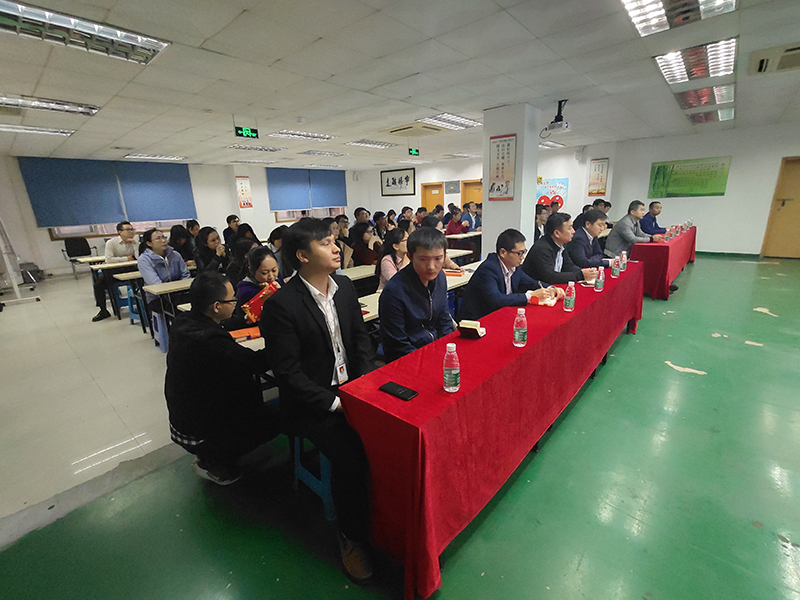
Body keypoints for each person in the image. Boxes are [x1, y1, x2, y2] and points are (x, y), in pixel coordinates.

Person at [260, 218, 376, 582]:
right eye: (325, 243)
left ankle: (381, 518)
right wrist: (337, 403)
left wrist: (366, 383)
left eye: (333, 240)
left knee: (393, 435)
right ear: (302, 255)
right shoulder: (281, 305)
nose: (336, 247)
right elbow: (288, 374)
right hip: (313, 403)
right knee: (351, 456)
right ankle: (351, 536)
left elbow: (360, 339)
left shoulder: (344, 287)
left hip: (353, 388)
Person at [164, 271, 279, 486]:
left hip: (182, 421)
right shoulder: (210, 342)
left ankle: (213, 454)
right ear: (216, 306)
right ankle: (214, 460)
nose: (236, 302)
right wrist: (284, 343)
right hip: (198, 431)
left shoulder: (184, 322)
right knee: (279, 419)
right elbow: (253, 362)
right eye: (232, 299)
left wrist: (242, 321)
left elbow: (222, 331)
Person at [379, 227, 454, 363]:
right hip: (409, 360)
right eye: (423, 259)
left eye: (438, 258)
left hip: (436, 350)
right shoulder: (394, 292)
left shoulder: (440, 278)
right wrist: (429, 361)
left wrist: (447, 350)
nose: (431, 266)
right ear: (410, 257)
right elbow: (397, 346)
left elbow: (444, 320)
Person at [460, 229, 561, 322]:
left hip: (501, 315)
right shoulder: (489, 269)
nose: (523, 257)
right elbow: (497, 300)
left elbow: (531, 282)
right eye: (519, 253)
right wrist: (530, 296)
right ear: (503, 253)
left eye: (524, 252)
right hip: (478, 321)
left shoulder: (515, 267)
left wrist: (550, 288)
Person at [522, 213, 597, 285]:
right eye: (570, 228)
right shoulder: (542, 248)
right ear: (557, 233)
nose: (573, 231)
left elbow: (568, 265)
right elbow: (550, 277)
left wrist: (584, 272)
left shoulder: (560, 245)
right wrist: (580, 275)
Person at [91, 221, 138, 322]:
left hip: (131, 268)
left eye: (132, 229)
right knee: (98, 284)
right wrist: (127, 258)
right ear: (119, 232)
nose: (131, 232)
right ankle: (103, 310)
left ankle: (140, 304)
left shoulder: (135, 242)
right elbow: (109, 259)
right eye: (128, 230)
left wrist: (134, 244)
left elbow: (138, 257)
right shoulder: (111, 243)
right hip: (115, 270)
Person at [138, 227, 191, 313]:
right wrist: (175, 288)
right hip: (158, 298)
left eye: (164, 237)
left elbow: (185, 274)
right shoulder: (144, 260)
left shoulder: (175, 255)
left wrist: (182, 289)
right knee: (178, 311)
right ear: (149, 243)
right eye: (158, 238)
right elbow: (156, 284)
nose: (163, 241)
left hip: (179, 294)